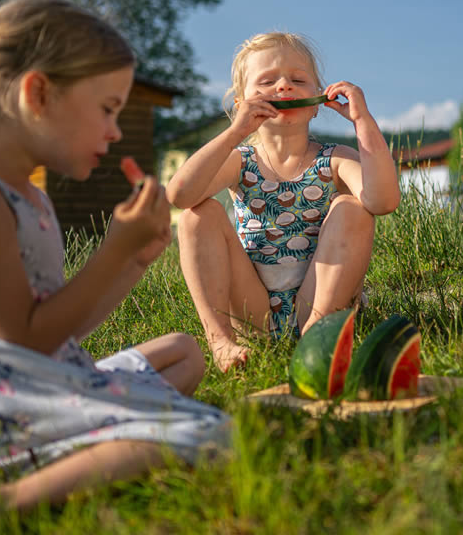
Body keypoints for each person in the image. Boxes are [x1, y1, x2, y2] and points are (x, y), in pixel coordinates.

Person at [0, 0, 231, 533]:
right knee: (212, 433)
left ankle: (91, 439)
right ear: (38, 93)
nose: (114, 131)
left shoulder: (32, 197)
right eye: (107, 109)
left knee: (182, 351)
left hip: (37, 378)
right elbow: (25, 336)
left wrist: (130, 261)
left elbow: (60, 322)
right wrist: (111, 252)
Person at [166, 33, 399, 372]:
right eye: (267, 81)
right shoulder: (239, 161)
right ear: (241, 103)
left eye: (298, 79)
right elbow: (180, 195)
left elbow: (383, 201)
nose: (284, 87)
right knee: (195, 216)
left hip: (321, 301)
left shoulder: (335, 160)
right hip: (253, 309)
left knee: (352, 207)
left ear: (319, 101)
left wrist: (362, 121)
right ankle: (221, 342)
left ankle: (317, 340)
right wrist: (234, 132)